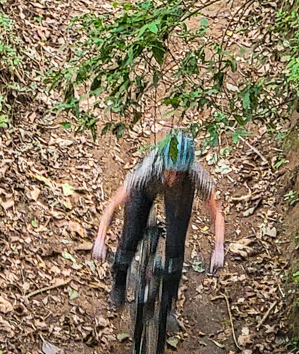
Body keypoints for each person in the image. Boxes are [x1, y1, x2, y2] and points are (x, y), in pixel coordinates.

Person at [91, 130, 225, 328]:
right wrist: (100, 240)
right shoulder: (149, 168)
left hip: (179, 195)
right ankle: (119, 283)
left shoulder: (196, 175)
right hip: (145, 189)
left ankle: (169, 304)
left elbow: (217, 213)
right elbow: (113, 204)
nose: (174, 177)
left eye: (180, 173)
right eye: (172, 171)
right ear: (164, 164)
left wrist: (219, 248)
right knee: (130, 238)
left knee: (175, 250)